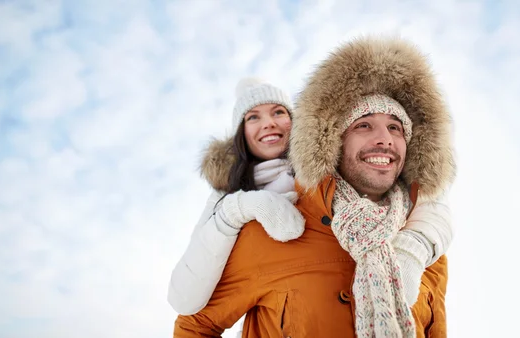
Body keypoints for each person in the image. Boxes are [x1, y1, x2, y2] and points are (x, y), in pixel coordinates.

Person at [172, 35, 455, 337]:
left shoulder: (426, 248)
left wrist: (415, 247)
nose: (384, 138)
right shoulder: (265, 233)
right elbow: (194, 325)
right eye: (363, 125)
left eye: (395, 128)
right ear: (333, 140)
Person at [167, 78, 307, 315]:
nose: (268, 123)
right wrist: (237, 209)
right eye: (253, 117)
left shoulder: (323, 177)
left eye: (278, 112)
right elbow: (183, 298)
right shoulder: (225, 195)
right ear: (241, 133)